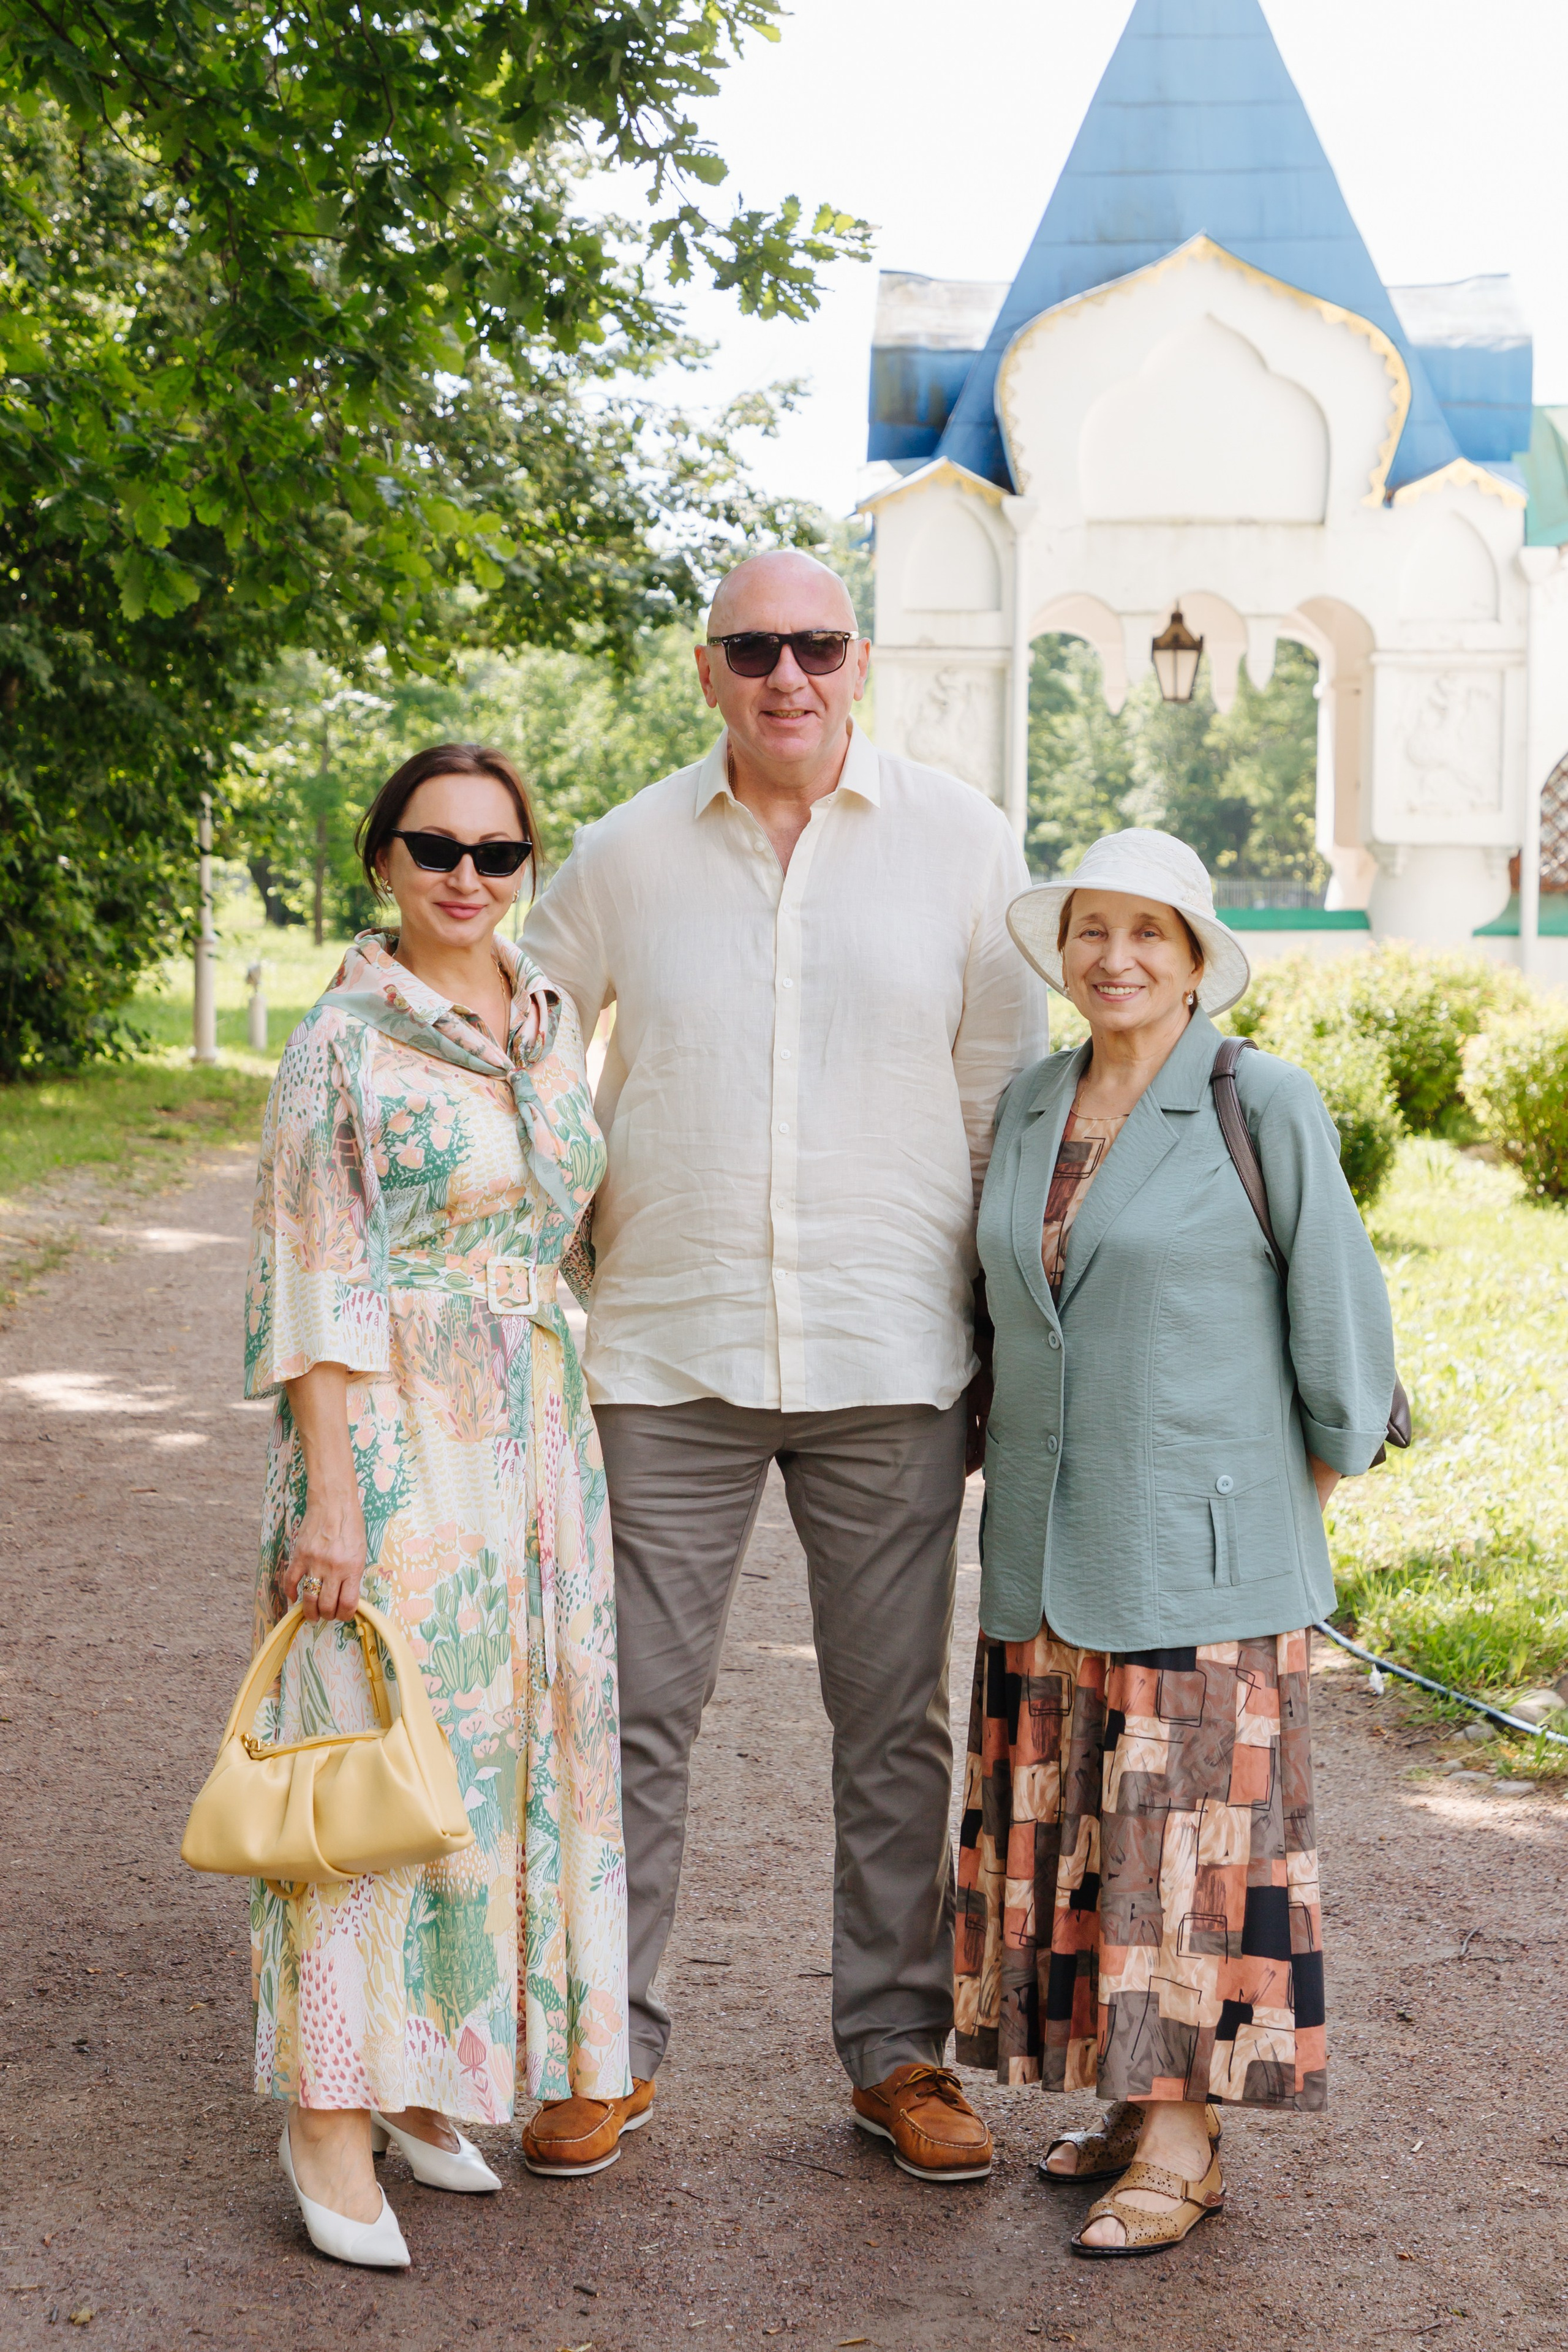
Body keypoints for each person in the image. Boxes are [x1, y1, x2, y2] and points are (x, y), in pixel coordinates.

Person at [522, 549, 1048, 2182]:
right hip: (666, 1348)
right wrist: (384, 989)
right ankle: (605, 2047)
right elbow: (519, 1029)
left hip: (890, 1350)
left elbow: (996, 1105)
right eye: (754, 648)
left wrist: (993, 1337)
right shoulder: (622, 855)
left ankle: (896, 2054)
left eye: (815, 644)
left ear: (860, 660)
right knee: (631, 1720)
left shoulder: (965, 845)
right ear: (708, 671)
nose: (787, 676)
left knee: (893, 1728)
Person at [953, 826, 1396, 2257]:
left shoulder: (1256, 1098)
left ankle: (1186, 2143)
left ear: (1197, 958)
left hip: (1202, 1548)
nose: (1116, 957)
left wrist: (1297, 1503)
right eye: (1091, 929)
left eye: (1150, 932)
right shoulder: (1031, 1102)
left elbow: (1337, 1321)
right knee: (1083, 1836)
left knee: (1187, 1850)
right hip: (1041, 1542)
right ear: (1061, 949)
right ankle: (1123, 2099)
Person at [243, 744, 631, 2269]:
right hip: (396, 1443)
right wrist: (329, 1502)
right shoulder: (339, 1044)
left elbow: (567, 1224)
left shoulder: (540, 1020)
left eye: (497, 850)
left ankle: (419, 2080)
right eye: (434, 846)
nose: (466, 875)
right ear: (381, 859)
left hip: (537, 1435)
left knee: (493, 1762)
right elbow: (310, 1279)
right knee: (367, 1762)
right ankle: (326, 2107)